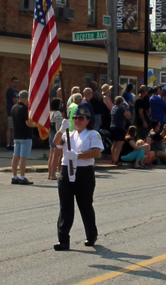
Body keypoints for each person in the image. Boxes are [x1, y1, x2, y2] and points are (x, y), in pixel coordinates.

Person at [52, 105, 104, 251]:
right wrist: (62, 129)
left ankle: (91, 235)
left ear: (88, 120)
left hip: (84, 173)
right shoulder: (68, 133)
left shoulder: (92, 134)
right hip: (66, 171)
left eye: (81, 118)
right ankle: (63, 240)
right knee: (65, 208)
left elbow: (96, 152)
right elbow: (56, 142)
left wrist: (78, 155)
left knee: (85, 206)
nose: (77, 121)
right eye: (75, 118)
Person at [10, 90, 36, 185]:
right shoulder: (24, 108)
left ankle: (14, 176)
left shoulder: (14, 108)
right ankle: (22, 177)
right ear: (25, 98)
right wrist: (36, 125)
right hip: (25, 136)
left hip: (17, 135)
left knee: (15, 156)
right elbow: (27, 123)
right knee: (23, 157)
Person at [110, 96, 131, 165]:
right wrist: (127, 109)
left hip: (112, 126)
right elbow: (128, 116)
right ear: (121, 102)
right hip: (119, 127)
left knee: (114, 144)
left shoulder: (113, 108)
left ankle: (113, 159)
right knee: (119, 144)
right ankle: (116, 160)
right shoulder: (121, 109)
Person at [48, 98, 64, 180]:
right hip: (55, 133)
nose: (61, 105)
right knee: (56, 155)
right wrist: (60, 136)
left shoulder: (50, 113)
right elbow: (58, 126)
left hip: (51, 133)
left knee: (51, 155)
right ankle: (53, 174)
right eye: (60, 104)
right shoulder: (58, 113)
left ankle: (50, 173)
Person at [6, 77, 20, 150]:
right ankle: (8, 144)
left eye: (17, 82)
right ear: (11, 83)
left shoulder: (17, 92)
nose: (16, 84)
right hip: (11, 112)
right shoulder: (10, 91)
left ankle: (13, 144)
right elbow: (14, 101)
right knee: (10, 128)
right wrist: (20, 101)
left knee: (14, 128)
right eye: (14, 82)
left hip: (17, 112)